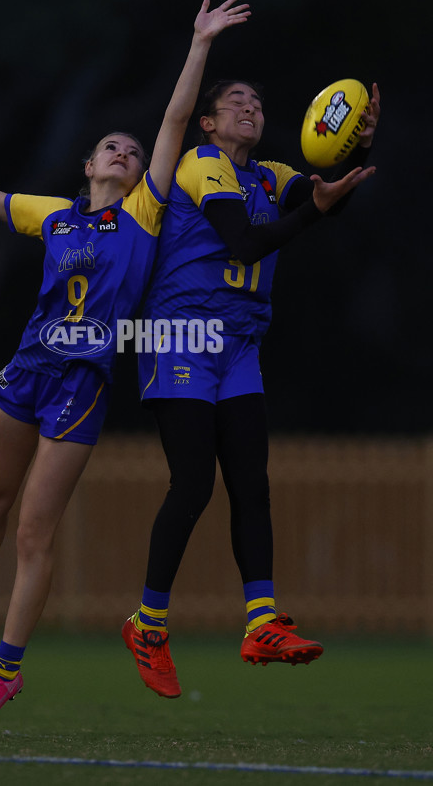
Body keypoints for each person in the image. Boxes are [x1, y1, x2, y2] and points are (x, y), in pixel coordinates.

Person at [0, 0, 250, 729]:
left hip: (80, 383)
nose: (126, 153)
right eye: (112, 147)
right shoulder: (56, 214)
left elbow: (175, 121)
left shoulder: (142, 213)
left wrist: (200, 42)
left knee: (33, 533)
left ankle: (4, 673)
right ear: (87, 165)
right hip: (26, 368)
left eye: (134, 152)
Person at [123, 76, 381, 698]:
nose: (251, 108)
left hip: (238, 343)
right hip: (181, 335)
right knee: (193, 481)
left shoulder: (270, 173)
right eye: (235, 102)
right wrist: (313, 212)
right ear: (207, 123)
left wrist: (356, 150)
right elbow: (243, 240)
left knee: (251, 484)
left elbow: (327, 197)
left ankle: (261, 620)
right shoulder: (201, 163)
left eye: (259, 103)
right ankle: (149, 623)